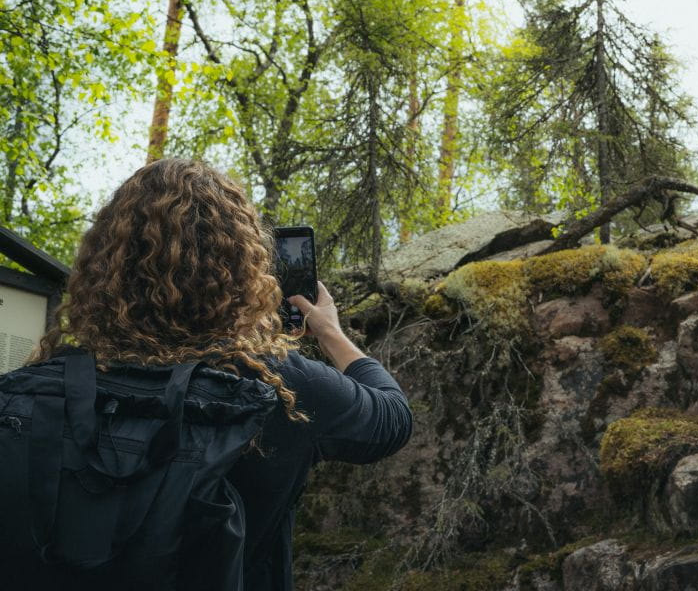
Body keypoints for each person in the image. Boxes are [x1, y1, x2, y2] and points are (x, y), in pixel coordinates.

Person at [25, 158, 413, 590]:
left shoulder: (45, 387)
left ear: (105, 266)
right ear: (243, 269)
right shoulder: (280, 386)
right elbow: (393, 418)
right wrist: (331, 334)